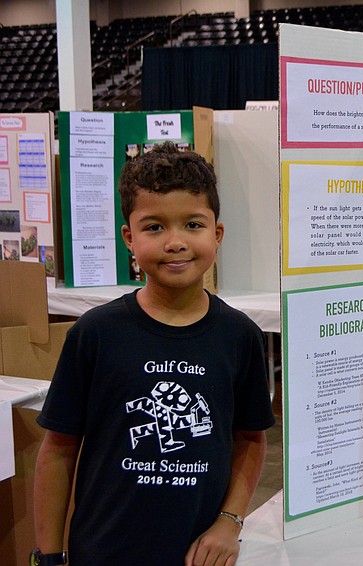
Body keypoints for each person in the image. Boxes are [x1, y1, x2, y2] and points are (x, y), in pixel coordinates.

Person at [32, 142, 276, 566]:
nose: (175, 242)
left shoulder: (240, 336)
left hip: (199, 556)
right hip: (103, 552)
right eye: (154, 227)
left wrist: (228, 522)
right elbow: (57, 451)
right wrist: (48, 557)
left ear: (217, 234)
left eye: (193, 224)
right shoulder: (96, 333)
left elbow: (251, 440)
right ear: (129, 237)